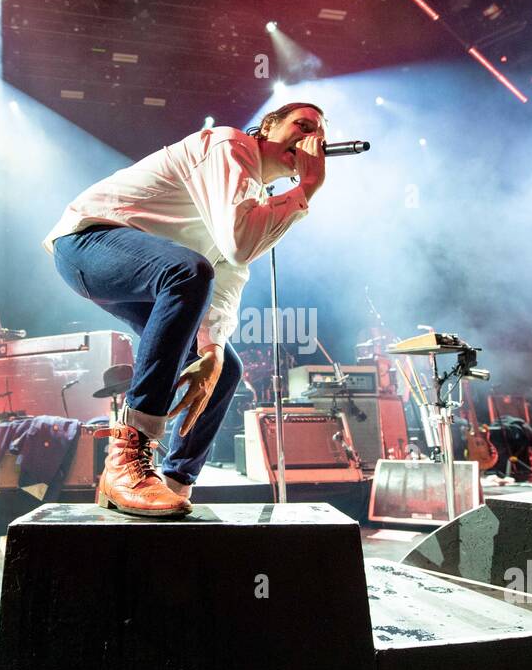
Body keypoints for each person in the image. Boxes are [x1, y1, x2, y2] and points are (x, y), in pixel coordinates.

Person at [45, 103, 326, 516]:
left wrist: (210, 349)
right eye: (301, 126)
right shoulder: (231, 146)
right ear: (268, 127)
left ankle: (174, 483)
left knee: (223, 368)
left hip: (148, 278)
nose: (309, 139)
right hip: (88, 243)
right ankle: (127, 460)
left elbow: (230, 274)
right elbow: (238, 244)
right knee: (188, 271)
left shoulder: (256, 198)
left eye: (317, 133)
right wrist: (307, 187)